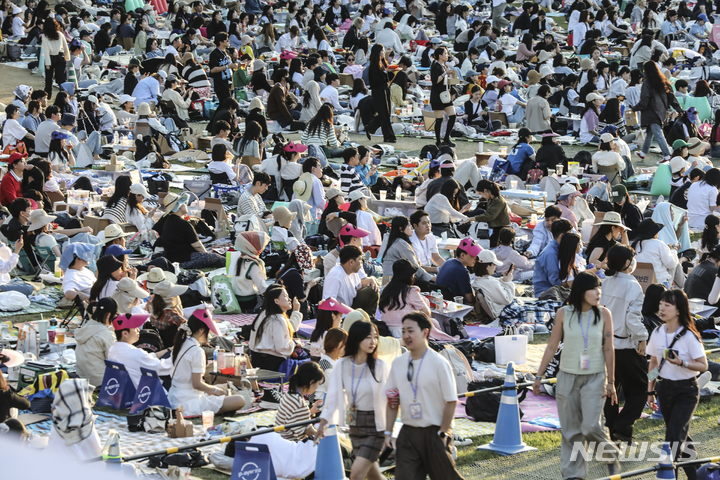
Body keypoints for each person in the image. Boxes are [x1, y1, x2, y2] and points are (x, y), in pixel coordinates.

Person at [533, 272, 621, 479]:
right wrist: (539, 376)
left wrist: (611, 382)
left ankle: (610, 455)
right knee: (571, 430)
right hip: (567, 377)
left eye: (600, 288)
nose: (598, 292)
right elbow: (552, 346)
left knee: (591, 426)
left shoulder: (604, 314)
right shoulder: (563, 313)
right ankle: (574, 474)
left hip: (595, 377)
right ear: (581, 291)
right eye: (593, 288)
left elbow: (609, 348)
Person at [384, 311, 464, 480]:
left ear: (425, 332)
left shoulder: (439, 363)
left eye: (411, 330)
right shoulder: (398, 363)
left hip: (435, 431)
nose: (406, 335)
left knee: (445, 477)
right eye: (404, 330)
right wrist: (388, 433)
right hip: (408, 432)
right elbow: (392, 402)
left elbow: (451, 401)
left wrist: (443, 433)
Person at [317, 319, 390, 479]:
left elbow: (389, 400)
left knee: (356, 474)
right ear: (357, 339)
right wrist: (323, 423)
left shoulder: (380, 366)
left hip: (375, 425)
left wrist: (389, 431)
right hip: (354, 424)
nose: (373, 342)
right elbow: (334, 396)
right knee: (373, 474)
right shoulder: (342, 365)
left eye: (375, 337)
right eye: (368, 337)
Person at [647, 290, 708, 480]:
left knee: (673, 436)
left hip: (686, 390)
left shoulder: (689, 336)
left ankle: (668, 475)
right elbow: (654, 364)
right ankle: (696, 475)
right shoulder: (657, 332)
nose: (662, 308)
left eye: (668, 305)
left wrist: (682, 363)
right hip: (665, 390)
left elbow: (703, 365)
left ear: (679, 310)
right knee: (682, 436)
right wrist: (650, 390)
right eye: (661, 304)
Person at [600, 244, 648, 444]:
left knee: (611, 387)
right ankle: (622, 426)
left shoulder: (606, 282)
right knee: (641, 387)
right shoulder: (632, 285)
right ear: (628, 262)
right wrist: (642, 338)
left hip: (605, 344)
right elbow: (633, 318)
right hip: (624, 345)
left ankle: (615, 430)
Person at [169, 309, 246, 415]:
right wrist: (214, 390)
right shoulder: (196, 351)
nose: (208, 336)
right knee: (240, 399)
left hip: (174, 398)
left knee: (222, 388)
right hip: (190, 402)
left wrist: (213, 389)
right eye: (208, 331)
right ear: (201, 330)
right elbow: (197, 384)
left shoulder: (181, 344)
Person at [159, 192, 225, 269]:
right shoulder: (183, 223)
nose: (185, 205)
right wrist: (207, 255)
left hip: (174, 258)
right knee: (215, 257)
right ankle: (234, 263)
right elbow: (197, 245)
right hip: (184, 260)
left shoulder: (168, 221)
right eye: (184, 203)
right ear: (179, 206)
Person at [108, 312, 173, 388]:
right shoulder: (135, 353)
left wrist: (169, 349)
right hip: (145, 391)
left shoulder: (113, 349)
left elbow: (146, 357)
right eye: (135, 328)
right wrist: (177, 353)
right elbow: (162, 367)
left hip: (125, 390)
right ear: (125, 333)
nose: (138, 330)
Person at [635, 62, 683, 162]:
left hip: (651, 113)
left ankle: (667, 156)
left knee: (658, 134)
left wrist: (635, 108)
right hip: (661, 112)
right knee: (650, 133)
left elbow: (644, 100)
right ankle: (643, 152)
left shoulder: (647, 83)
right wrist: (679, 109)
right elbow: (672, 97)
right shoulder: (664, 81)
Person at [248, 285, 303, 372]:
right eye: (285, 296)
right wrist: (294, 342)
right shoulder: (278, 319)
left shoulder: (267, 314)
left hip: (258, 359)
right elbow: (282, 348)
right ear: (276, 301)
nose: (289, 299)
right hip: (272, 364)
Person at [381, 216, 435, 289]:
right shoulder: (401, 243)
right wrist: (431, 278)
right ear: (401, 229)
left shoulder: (396, 241)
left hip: (390, 281)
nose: (411, 228)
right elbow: (415, 267)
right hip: (394, 283)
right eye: (409, 225)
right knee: (436, 287)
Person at [275, 362, 324, 440]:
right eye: (318, 384)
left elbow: (294, 418)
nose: (317, 387)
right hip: (292, 442)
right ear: (311, 382)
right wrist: (321, 434)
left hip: (280, 438)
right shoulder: (299, 403)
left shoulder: (288, 394)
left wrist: (311, 412)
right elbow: (308, 430)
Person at [74, 298, 117, 387]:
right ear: (109, 315)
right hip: (99, 380)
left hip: (81, 376)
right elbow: (114, 360)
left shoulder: (87, 326)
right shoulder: (105, 333)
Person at [632, 219, 679, 288]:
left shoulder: (635, 245)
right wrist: (673, 251)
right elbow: (671, 264)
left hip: (639, 281)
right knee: (676, 263)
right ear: (654, 233)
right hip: (658, 283)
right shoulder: (659, 244)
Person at [533, 219, 573, 296]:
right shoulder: (551, 253)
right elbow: (555, 282)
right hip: (546, 293)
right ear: (562, 236)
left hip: (556, 290)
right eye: (569, 235)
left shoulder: (558, 247)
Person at [436, 238, 480, 304]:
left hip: (441, 301)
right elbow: (470, 299)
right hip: (454, 304)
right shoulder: (462, 272)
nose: (476, 258)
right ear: (462, 255)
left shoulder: (448, 262)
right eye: (473, 255)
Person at [466, 180, 510, 247]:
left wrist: (472, 219)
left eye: (481, 194)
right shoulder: (491, 199)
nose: (482, 196)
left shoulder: (498, 201)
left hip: (500, 229)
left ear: (485, 190)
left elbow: (490, 216)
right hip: (494, 227)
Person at [368, 44, 396, 143]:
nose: (384, 53)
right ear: (378, 52)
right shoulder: (374, 65)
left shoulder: (383, 63)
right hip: (378, 91)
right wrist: (385, 73)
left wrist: (389, 72)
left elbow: (387, 79)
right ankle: (389, 136)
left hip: (385, 89)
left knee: (386, 113)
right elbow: (377, 81)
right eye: (382, 51)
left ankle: (370, 127)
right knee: (384, 114)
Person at [149, 279, 188, 349]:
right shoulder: (171, 314)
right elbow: (189, 330)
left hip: (166, 345)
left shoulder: (154, 312)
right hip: (178, 346)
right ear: (169, 298)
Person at [430, 46, 456, 147]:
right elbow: (435, 81)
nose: (447, 55)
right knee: (439, 119)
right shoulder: (435, 66)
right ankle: (438, 141)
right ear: (440, 56)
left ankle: (446, 138)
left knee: (453, 116)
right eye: (445, 53)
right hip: (437, 96)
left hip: (445, 95)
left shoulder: (444, 65)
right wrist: (445, 73)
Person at [409, 210, 445, 274]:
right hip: (418, 273)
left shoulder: (431, 237)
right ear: (415, 226)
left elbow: (436, 258)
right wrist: (438, 269)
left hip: (429, 270)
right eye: (424, 223)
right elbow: (417, 267)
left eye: (429, 222)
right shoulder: (412, 240)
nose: (428, 225)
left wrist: (449, 266)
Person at [208, 33, 236, 104]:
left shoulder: (227, 52)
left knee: (226, 106)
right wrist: (227, 66)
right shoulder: (214, 54)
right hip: (221, 85)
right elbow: (213, 70)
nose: (228, 41)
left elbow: (231, 66)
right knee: (226, 105)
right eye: (226, 40)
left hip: (230, 83)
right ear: (220, 42)